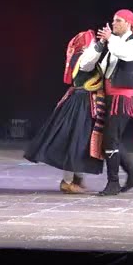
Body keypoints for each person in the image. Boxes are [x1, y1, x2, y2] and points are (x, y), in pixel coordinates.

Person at [23, 29, 106, 193]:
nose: (93, 45)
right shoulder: (83, 58)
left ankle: (77, 178)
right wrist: (102, 43)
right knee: (74, 141)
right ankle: (67, 181)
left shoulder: (84, 57)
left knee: (82, 141)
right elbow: (90, 61)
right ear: (84, 46)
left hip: (85, 102)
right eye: (91, 42)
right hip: (80, 103)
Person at [95, 9, 133, 195]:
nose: (114, 23)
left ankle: (114, 182)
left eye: (118, 20)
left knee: (110, 140)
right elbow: (105, 68)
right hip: (112, 96)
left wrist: (110, 39)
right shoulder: (115, 44)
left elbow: (125, 54)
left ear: (128, 23)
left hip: (123, 98)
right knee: (111, 139)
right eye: (113, 20)